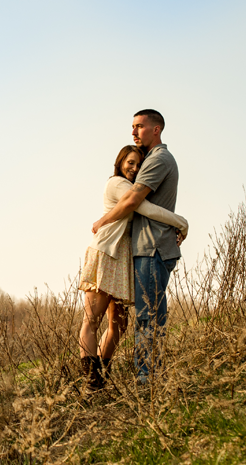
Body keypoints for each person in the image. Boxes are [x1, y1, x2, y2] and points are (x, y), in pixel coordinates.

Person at [80, 143, 188, 389]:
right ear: (119, 163)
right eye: (130, 163)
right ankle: (91, 381)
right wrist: (180, 221)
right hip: (107, 252)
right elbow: (145, 208)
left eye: (139, 165)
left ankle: (102, 372)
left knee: (119, 324)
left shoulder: (132, 186)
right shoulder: (117, 184)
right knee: (92, 318)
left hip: (123, 257)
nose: (135, 168)